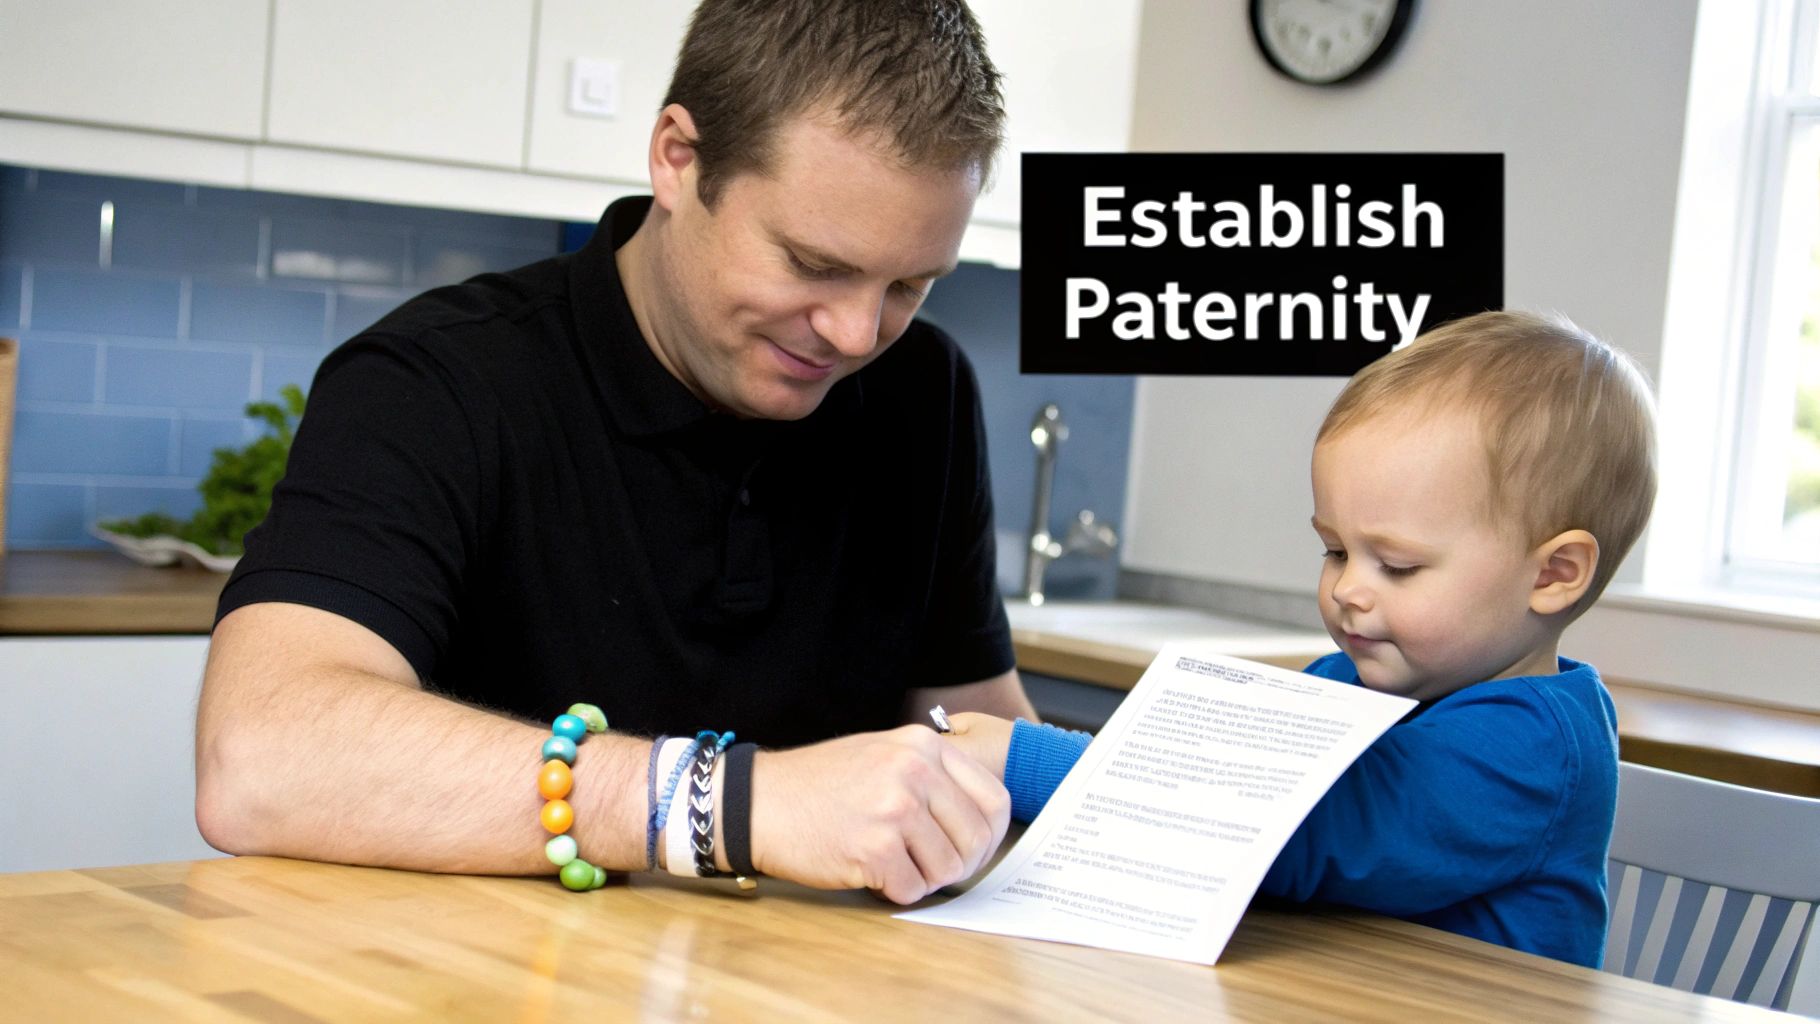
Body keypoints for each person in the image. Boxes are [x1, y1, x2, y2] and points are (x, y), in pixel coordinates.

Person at [195, 0, 1036, 906]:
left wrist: (1147, 803)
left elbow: (976, 727)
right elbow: (260, 757)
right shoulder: (437, 380)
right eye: (811, 264)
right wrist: (731, 804)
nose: (857, 332)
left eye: (908, 284)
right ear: (679, 158)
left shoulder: (923, 392)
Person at [946, 310, 1658, 967]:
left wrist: (1021, 757)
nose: (1349, 589)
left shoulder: (1537, 749)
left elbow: (1281, 831)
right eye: (1335, 552)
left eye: (1398, 565)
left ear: (1554, 574)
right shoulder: (1343, 680)